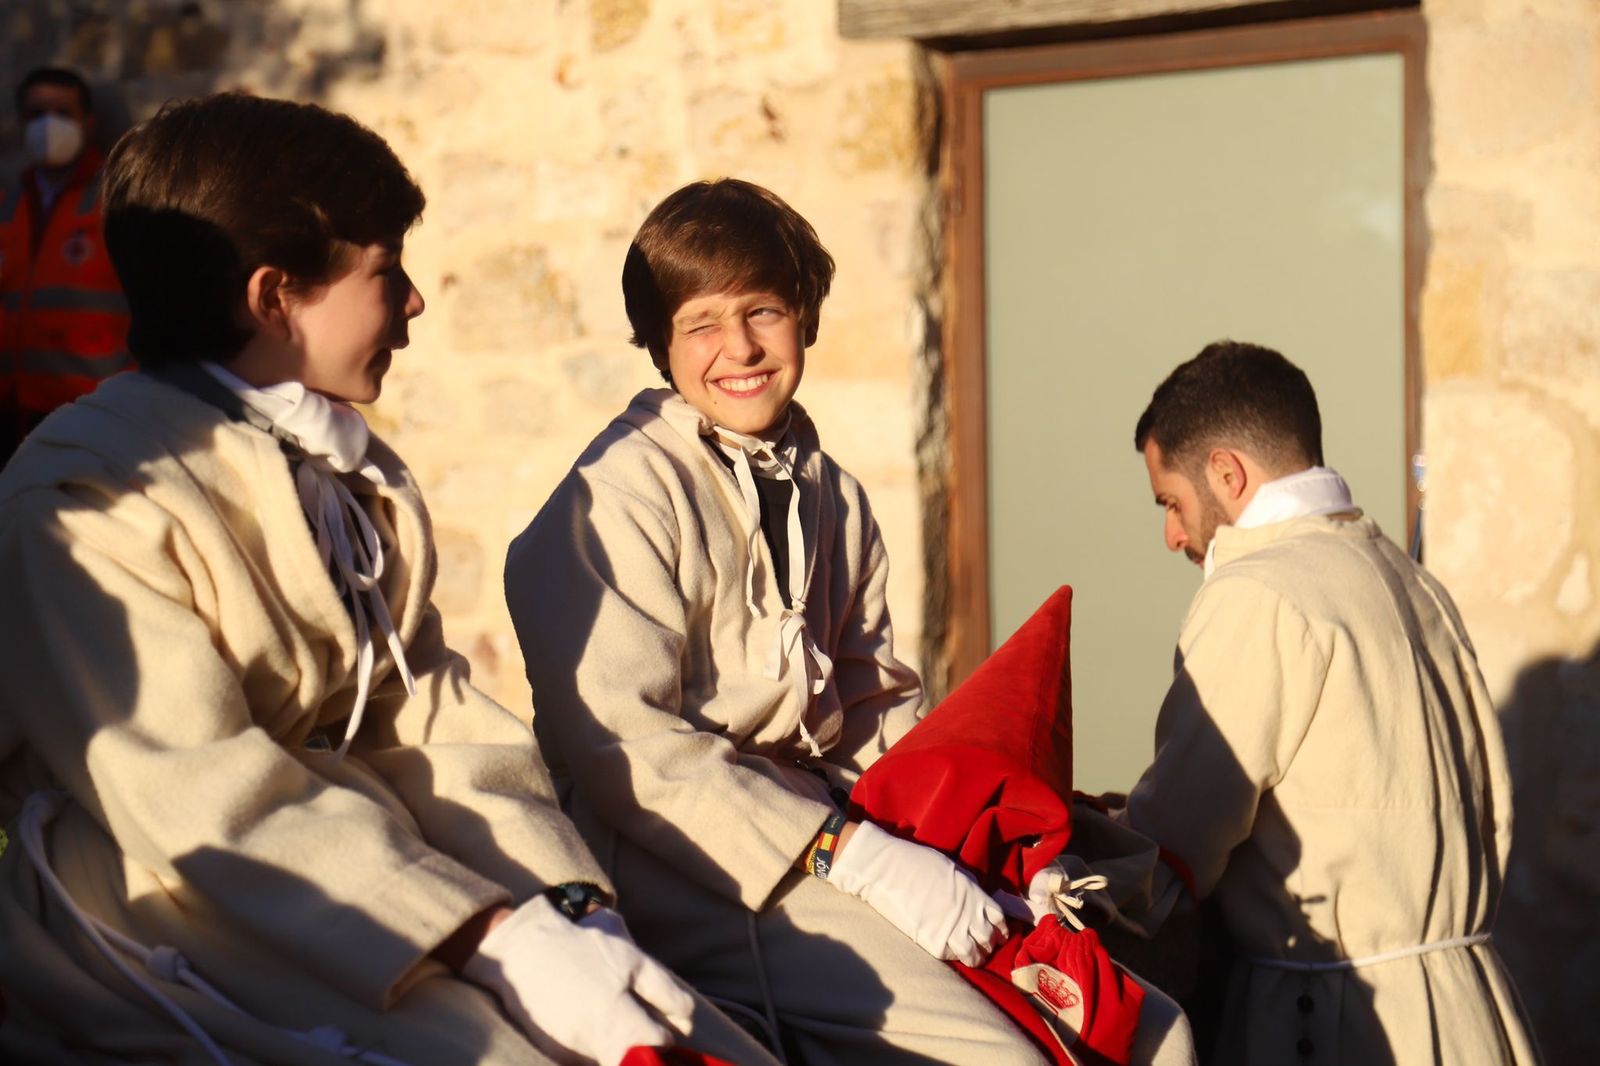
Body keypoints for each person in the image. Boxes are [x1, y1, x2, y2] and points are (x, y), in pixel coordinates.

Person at [0, 93, 769, 1066]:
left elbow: (432, 720)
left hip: (387, 874)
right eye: (385, 272)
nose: (413, 301)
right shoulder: (85, 497)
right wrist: (489, 938)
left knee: (689, 1032)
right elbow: (200, 794)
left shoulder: (339, 470)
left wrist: (565, 907)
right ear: (275, 297)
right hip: (164, 908)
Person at [505, 179, 1047, 1064]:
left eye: (764, 311)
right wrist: (851, 856)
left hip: (826, 834)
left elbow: (872, 706)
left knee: (1132, 1013)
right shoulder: (613, 499)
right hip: (685, 859)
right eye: (702, 323)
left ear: (806, 317)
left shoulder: (832, 491)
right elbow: (629, 755)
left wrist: (978, 833)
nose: (741, 349)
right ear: (658, 343)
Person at [1121, 340, 1540, 1064]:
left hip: (1340, 1027)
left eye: (1173, 502)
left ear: (1226, 471)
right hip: (1471, 1012)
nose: (1173, 535)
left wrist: (1077, 853)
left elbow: (1176, 845)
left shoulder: (1258, 592)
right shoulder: (1412, 581)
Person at [0, 66, 131, 464]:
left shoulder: (117, 199)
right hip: (11, 415)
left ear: (87, 123)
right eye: (37, 113)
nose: (48, 125)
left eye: (61, 113)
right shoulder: (9, 205)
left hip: (92, 414)